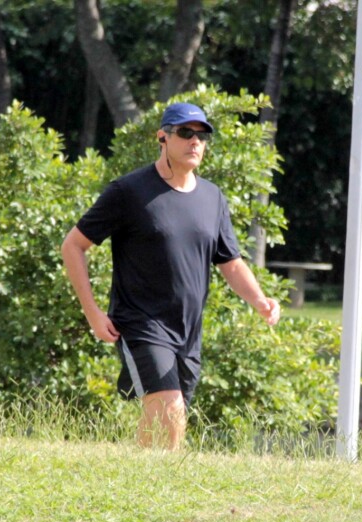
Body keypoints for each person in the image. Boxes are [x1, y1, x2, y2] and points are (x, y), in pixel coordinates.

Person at [61, 102, 280, 450]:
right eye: (185, 133)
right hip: (140, 323)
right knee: (171, 410)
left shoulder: (212, 197)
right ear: (162, 137)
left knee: (164, 423)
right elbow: (73, 246)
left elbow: (231, 263)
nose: (195, 141)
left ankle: (141, 489)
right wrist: (92, 313)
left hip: (188, 332)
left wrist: (259, 299)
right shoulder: (129, 191)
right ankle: (154, 488)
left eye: (202, 135)